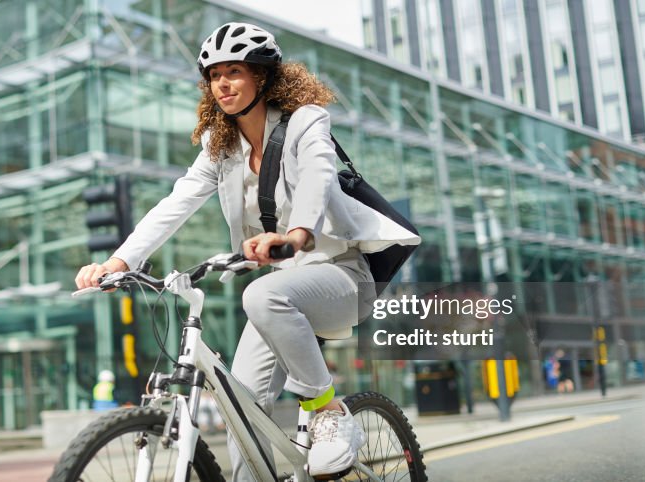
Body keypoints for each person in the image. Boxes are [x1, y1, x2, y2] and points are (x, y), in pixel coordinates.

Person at [75, 22, 420, 479]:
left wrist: (297, 235)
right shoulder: (221, 147)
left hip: (341, 277)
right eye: (214, 75)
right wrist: (119, 261)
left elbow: (318, 175)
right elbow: (176, 202)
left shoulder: (305, 120)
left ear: (262, 76)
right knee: (242, 412)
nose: (222, 83)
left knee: (260, 295)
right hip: (282, 293)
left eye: (234, 71)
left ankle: (328, 411)